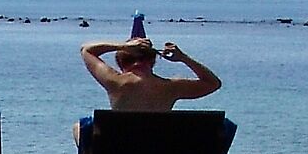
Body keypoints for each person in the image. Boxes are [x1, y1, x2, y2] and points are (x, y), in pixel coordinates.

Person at [80, 36, 222, 110]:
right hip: (159, 152)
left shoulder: (115, 81)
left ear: (122, 63)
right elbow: (213, 83)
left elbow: (87, 50)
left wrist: (123, 47)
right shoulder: (171, 87)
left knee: (79, 127)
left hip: (120, 152)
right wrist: (183, 58)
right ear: (152, 62)